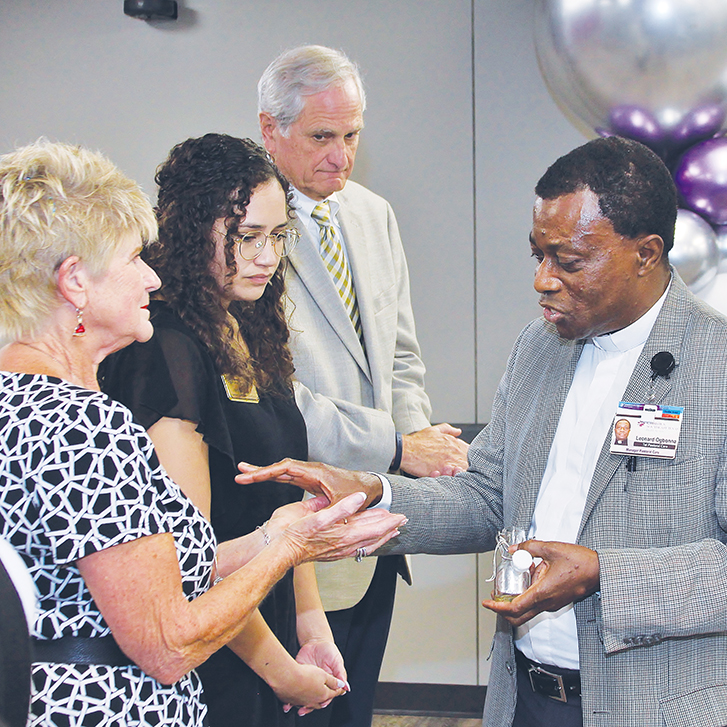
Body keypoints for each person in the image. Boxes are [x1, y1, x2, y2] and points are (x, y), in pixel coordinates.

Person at [237, 135, 727, 727]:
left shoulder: (714, 367)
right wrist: (371, 493)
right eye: (536, 256)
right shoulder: (538, 349)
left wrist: (601, 573)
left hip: (653, 707)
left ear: (646, 254)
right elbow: (487, 493)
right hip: (523, 698)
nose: (544, 280)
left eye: (568, 261)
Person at [0, 139, 406, 727]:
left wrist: (279, 537)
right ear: (74, 284)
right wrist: (288, 547)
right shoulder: (82, 423)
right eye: (132, 258)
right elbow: (167, 642)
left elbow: (155, 569)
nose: (149, 275)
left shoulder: (22, 399)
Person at [99, 132, 357, 725]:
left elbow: (291, 500)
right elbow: (191, 563)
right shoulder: (166, 348)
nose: (267, 257)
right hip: (214, 650)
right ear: (191, 235)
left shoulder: (250, 324)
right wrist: (284, 672)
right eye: (247, 238)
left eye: (277, 237)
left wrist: (310, 624)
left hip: (268, 624)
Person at [257, 44, 469, 727]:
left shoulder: (371, 214)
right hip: (291, 537)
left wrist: (415, 452)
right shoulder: (247, 229)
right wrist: (397, 447)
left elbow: (402, 355)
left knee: (355, 713)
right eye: (322, 137)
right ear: (270, 129)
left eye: (352, 136)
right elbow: (274, 399)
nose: (340, 156)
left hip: (378, 527)